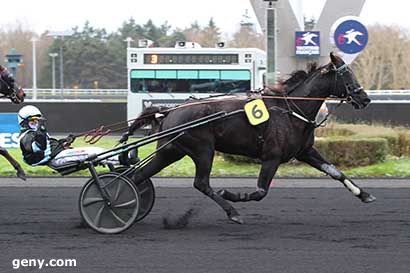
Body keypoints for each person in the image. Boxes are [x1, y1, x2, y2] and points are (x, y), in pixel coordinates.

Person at [18, 105, 120, 169]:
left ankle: (120, 157)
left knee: (97, 150)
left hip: (58, 155)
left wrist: (64, 142)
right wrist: (41, 129)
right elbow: (41, 148)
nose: (37, 124)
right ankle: (122, 159)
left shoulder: (36, 133)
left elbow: (49, 145)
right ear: (24, 123)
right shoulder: (25, 137)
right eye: (33, 121)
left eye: (38, 121)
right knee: (93, 152)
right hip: (56, 159)